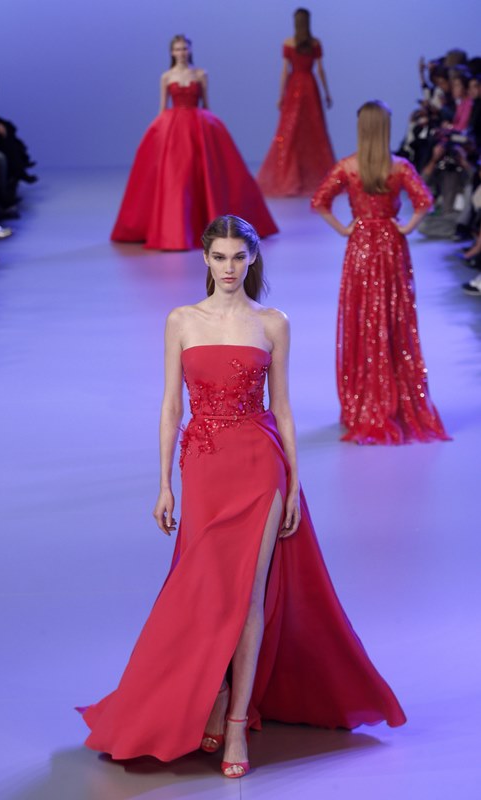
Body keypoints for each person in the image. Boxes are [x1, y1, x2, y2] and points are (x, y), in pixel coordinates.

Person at [79, 215, 406, 779]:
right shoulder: (182, 320)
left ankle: (234, 723)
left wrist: (294, 483)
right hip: (204, 468)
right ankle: (215, 692)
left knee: (250, 598)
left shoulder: (272, 322)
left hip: (260, 467)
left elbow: (283, 409)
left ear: (252, 259)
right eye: (219, 257)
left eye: (238, 257)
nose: (228, 267)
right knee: (207, 592)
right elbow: (170, 407)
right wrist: (164, 483)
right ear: (205, 259)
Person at [311, 101, 450, 445]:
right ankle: (395, 399)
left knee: (363, 320)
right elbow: (424, 201)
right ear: (386, 128)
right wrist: (406, 227)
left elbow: (320, 201)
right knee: (393, 318)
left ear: (361, 128)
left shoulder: (347, 166)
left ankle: (364, 400)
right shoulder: (399, 167)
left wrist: (345, 229)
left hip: (360, 246)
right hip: (391, 246)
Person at [111, 36, 277, 250]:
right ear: (172, 52)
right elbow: (162, 108)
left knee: (203, 176)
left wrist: (212, 129)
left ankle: (209, 226)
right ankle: (176, 232)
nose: (181, 52)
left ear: (190, 50)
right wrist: (156, 135)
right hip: (174, 130)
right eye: (177, 49)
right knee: (177, 178)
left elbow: (206, 104)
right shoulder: (166, 76)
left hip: (198, 127)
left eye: (184, 48)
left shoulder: (200, 74)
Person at [257, 8, 334, 197]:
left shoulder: (289, 43)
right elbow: (320, 71)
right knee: (313, 131)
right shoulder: (315, 43)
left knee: (289, 132)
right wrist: (326, 93)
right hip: (310, 87)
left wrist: (281, 95)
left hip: (294, 86)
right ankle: (305, 176)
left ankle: (289, 177)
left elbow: (284, 71)